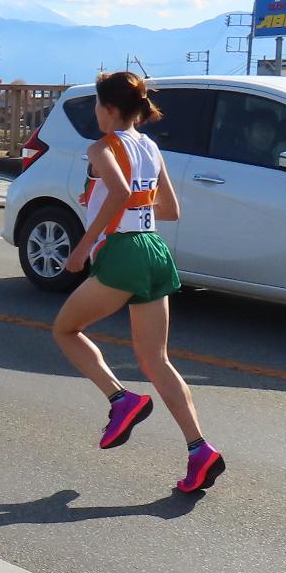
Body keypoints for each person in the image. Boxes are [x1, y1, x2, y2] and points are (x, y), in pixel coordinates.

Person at [51, 70, 225, 495]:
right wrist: (117, 206)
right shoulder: (149, 146)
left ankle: (120, 399)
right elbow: (169, 209)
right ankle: (199, 450)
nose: (95, 111)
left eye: (97, 104)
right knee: (155, 358)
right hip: (154, 250)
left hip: (124, 252)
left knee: (65, 330)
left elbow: (119, 192)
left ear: (109, 109)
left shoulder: (102, 147)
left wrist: (82, 247)